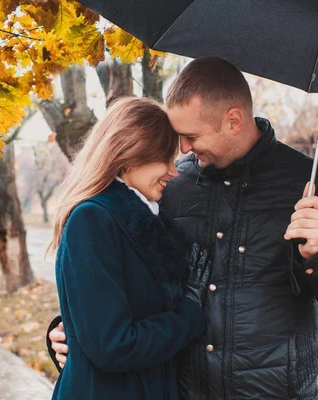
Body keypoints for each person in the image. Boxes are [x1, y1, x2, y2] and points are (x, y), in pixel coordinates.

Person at [48, 57, 318, 399]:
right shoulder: (172, 187)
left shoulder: (314, 184)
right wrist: (70, 327)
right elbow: (130, 282)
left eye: (190, 136)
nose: (184, 149)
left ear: (233, 120)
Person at [48, 97, 213, 400]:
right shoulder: (93, 220)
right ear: (128, 155)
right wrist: (189, 314)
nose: (173, 172)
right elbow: (113, 345)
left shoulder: (149, 222)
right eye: (164, 159)